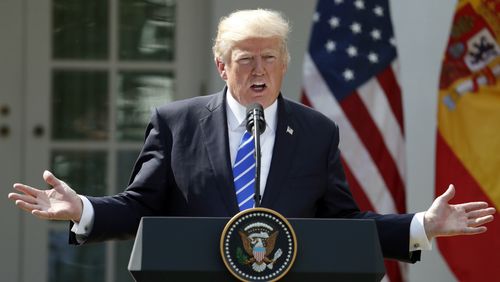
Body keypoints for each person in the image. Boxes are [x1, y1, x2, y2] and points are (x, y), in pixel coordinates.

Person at [8, 9, 495, 263]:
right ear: (222, 67)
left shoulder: (316, 130)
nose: (259, 70)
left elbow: (342, 221)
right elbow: (141, 207)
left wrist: (420, 227)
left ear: (284, 64)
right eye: (246, 60)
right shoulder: (176, 123)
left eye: (270, 58)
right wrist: (84, 209)